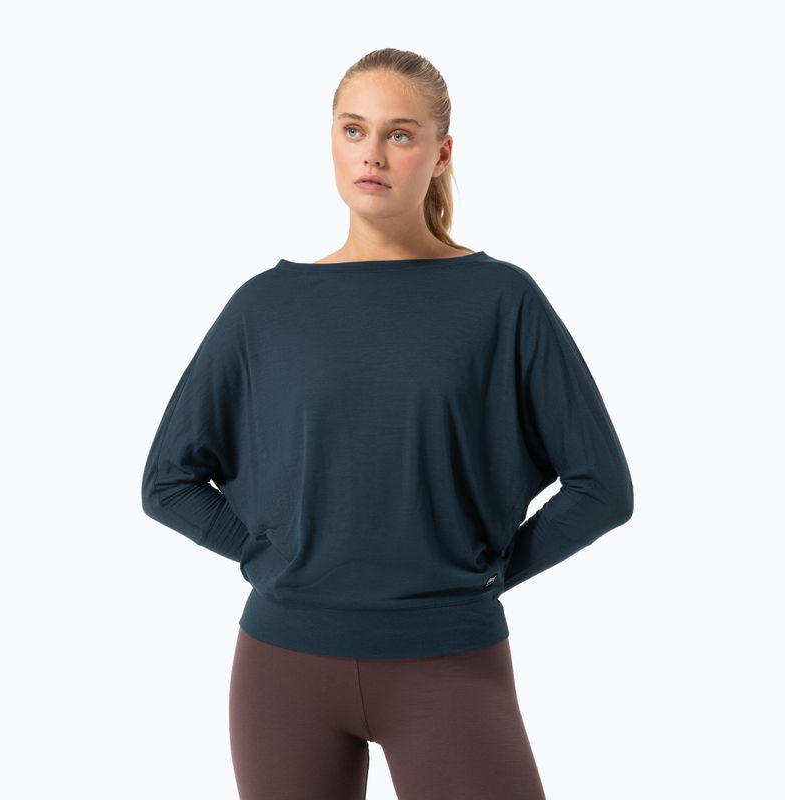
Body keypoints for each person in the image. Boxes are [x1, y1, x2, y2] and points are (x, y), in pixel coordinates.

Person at [141, 47, 633, 800]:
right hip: (283, 666)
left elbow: (602, 489)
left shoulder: (501, 300)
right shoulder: (265, 308)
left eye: (399, 134)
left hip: (450, 662)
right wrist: (279, 560)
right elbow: (168, 482)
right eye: (354, 130)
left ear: (441, 153)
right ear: (333, 141)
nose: (372, 153)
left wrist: (481, 575)